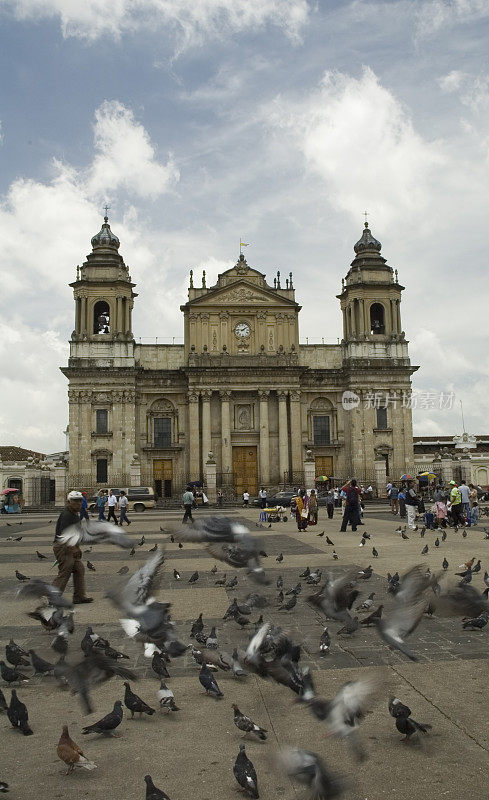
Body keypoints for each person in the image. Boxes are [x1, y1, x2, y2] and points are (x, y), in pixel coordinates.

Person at [52, 491, 93, 604]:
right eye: (75, 501)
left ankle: (79, 596)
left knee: (79, 569)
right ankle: (52, 598)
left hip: (71, 546)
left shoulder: (74, 514)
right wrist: (74, 548)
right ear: (69, 502)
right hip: (64, 547)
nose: (78, 503)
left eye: (80, 500)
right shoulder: (67, 515)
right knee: (65, 572)